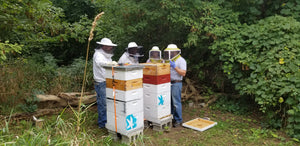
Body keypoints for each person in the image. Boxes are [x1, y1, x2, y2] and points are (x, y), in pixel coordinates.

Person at [93, 38, 117, 128]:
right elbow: (100, 63)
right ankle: (102, 124)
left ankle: (108, 121)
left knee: (108, 102)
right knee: (103, 103)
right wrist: (110, 64)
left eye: (110, 47)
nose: (109, 48)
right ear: (103, 46)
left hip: (108, 80)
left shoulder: (107, 55)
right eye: (108, 46)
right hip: (101, 82)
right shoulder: (98, 54)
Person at [163, 44, 187, 127]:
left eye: (172, 52)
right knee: (169, 102)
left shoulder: (181, 60)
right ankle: (172, 117)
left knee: (176, 102)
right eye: (169, 52)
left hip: (176, 83)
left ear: (175, 52)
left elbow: (183, 73)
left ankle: (178, 120)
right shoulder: (168, 60)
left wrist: (175, 67)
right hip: (168, 83)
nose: (170, 54)